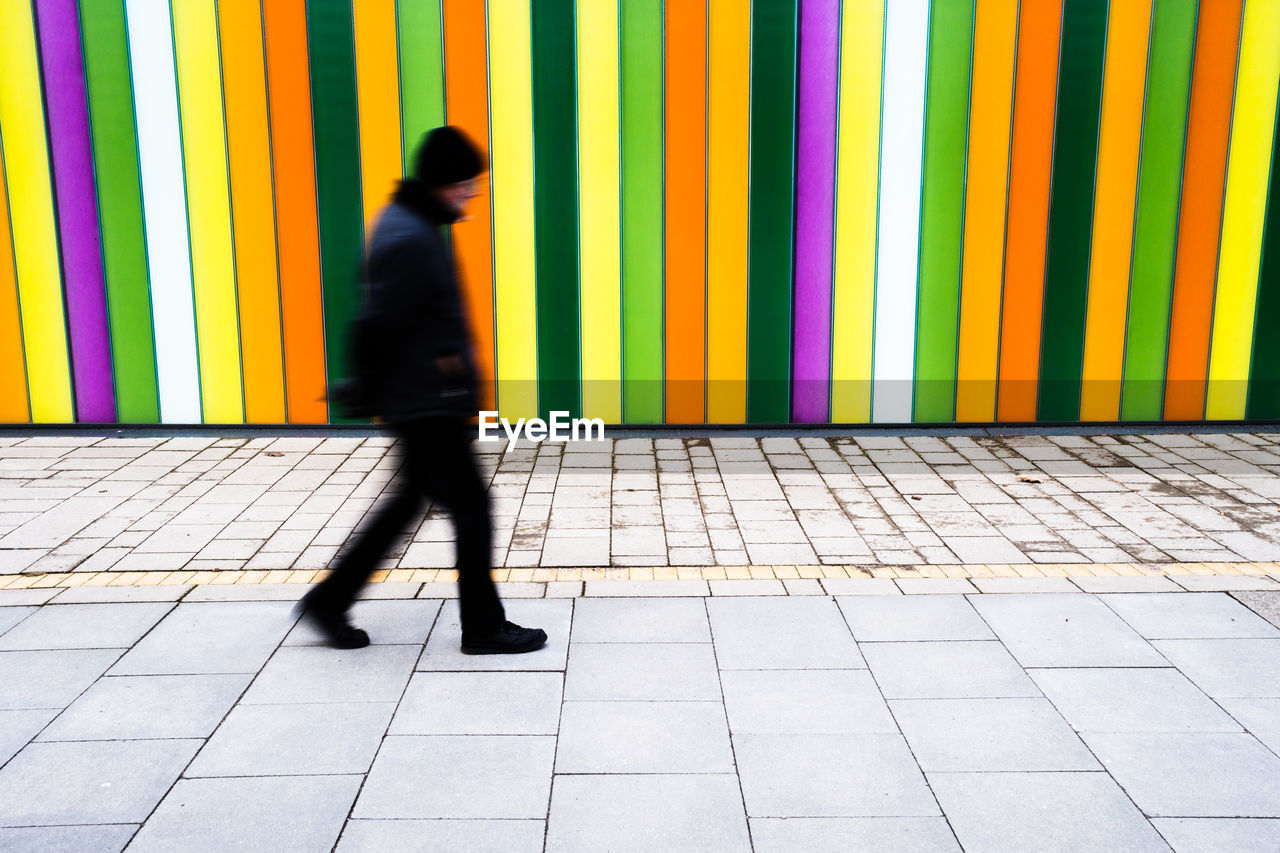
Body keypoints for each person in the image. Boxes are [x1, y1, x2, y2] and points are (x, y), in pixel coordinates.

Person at [299, 127, 546, 655]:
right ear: (443, 183)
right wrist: (382, 384)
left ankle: (329, 601)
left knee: (406, 503)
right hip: (424, 401)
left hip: (423, 397)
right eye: (466, 184)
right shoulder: (408, 236)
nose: (472, 193)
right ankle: (482, 628)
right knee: (472, 507)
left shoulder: (412, 224)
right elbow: (378, 320)